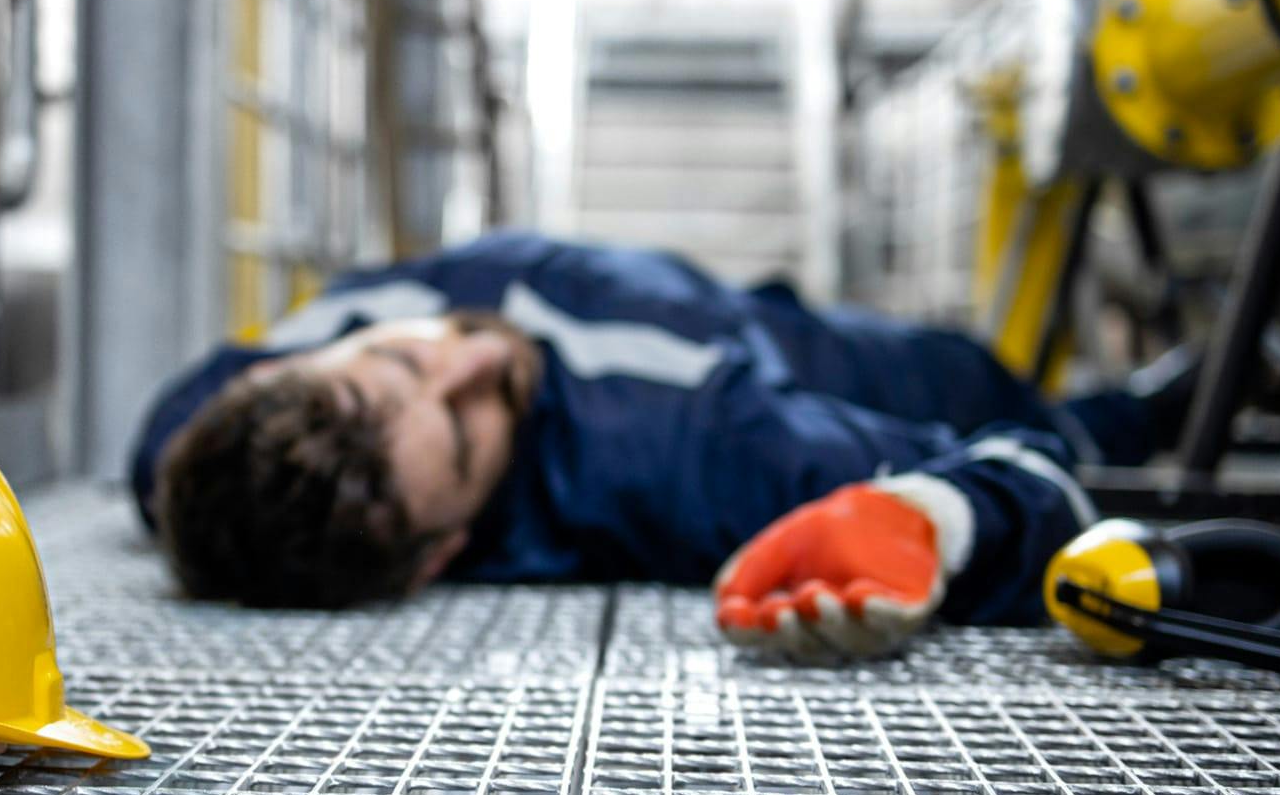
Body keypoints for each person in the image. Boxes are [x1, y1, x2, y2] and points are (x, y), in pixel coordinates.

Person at [130, 232, 1185, 654]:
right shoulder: (698, 455)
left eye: (399, 359)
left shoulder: (204, 436)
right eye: (459, 427)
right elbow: (1034, 480)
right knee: (1079, 431)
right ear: (442, 556)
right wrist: (928, 516)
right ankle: (1174, 388)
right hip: (826, 368)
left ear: (275, 370)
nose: (476, 362)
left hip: (724, 302)